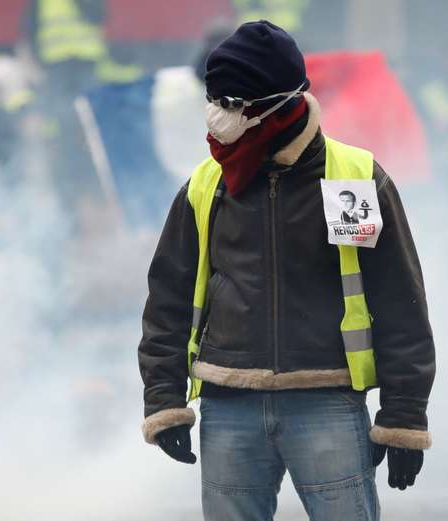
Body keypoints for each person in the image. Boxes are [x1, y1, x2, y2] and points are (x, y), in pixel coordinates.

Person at [138, 21, 435, 521]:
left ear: (277, 104)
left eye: (233, 103)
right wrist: (164, 400)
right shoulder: (207, 185)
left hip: (328, 405)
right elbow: (166, 299)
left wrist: (403, 416)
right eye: (215, 98)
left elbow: (400, 301)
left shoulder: (354, 178)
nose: (218, 114)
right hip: (228, 406)